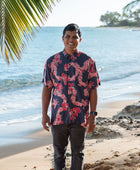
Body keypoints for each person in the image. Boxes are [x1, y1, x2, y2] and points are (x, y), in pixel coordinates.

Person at [42, 23, 100, 170]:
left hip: (79, 117)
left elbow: (93, 89)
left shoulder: (88, 62)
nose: (71, 40)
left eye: (75, 37)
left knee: (77, 153)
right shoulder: (51, 62)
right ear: (62, 39)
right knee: (58, 155)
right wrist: (44, 114)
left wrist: (93, 114)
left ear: (80, 40)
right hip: (58, 117)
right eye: (68, 36)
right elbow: (47, 88)